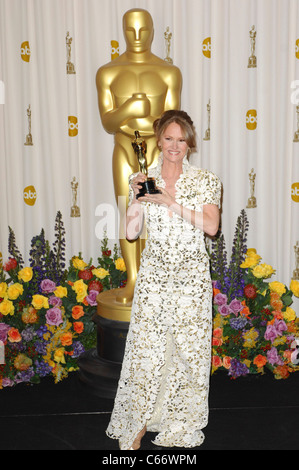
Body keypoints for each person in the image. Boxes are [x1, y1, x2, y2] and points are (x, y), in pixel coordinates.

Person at [106, 110, 222, 450]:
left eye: (181, 139)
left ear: (189, 143)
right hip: (154, 278)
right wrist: (136, 198)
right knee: (146, 352)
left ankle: (179, 422)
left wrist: (170, 202)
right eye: (169, 138)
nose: (175, 146)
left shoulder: (205, 180)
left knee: (188, 353)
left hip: (192, 280)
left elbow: (211, 227)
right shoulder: (145, 179)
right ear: (159, 140)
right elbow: (130, 233)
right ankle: (138, 423)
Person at [96, 8, 182, 304]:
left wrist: (142, 120)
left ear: (152, 31)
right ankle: (133, 278)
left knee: (154, 213)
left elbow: (172, 123)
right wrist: (129, 110)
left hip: (156, 149)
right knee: (127, 211)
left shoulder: (168, 72)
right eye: (130, 30)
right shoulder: (108, 72)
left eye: (142, 30)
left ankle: (150, 276)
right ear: (122, 30)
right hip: (123, 147)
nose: (136, 36)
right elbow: (108, 123)